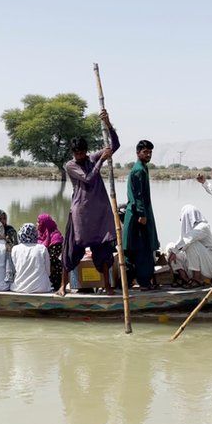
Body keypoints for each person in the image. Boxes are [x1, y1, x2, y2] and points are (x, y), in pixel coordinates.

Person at [59, 109, 120, 296]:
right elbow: (88, 178)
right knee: (71, 248)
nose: (80, 155)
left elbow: (114, 145)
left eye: (82, 152)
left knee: (103, 249)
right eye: (76, 153)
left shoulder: (91, 158)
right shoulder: (70, 165)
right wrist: (101, 160)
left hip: (99, 212)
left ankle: (107, 286)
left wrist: (108, 124)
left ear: (86, 151)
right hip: (81, 213)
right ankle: (63, 286)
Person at [122, 139, 160, 290]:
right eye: (145, 152)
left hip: (139, 213)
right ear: (138, 153)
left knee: (134, 248)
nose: (148, 155)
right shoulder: (138, 170)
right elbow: (138, 196)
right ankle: (144, 283)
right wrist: (142, 214)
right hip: (139, 216)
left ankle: (130, 281)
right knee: (142, 249)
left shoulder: (143, 168)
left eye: (150, 152)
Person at [164, 205, 212, 288]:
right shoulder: (188, 231)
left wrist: (175, 251)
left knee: (190, 244)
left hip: (210, 267)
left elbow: (189, 239)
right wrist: (172, 251)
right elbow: (179, 244)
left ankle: (196, 279)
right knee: (170, 247)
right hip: (196, 266)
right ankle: (183, 277)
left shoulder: (203, 227)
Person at [10, 223, 52, 294]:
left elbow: (14, 269)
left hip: (20, 287)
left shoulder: (15, 249)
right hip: (42, 288)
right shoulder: (42, 248)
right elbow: (48, 271)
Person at [36, 213, 64, 290]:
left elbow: (53, 257)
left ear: (44, 224)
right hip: (41, 265)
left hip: (53, 268)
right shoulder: (38, 236)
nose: (37, 224)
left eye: (39, 222)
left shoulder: (56, 237)